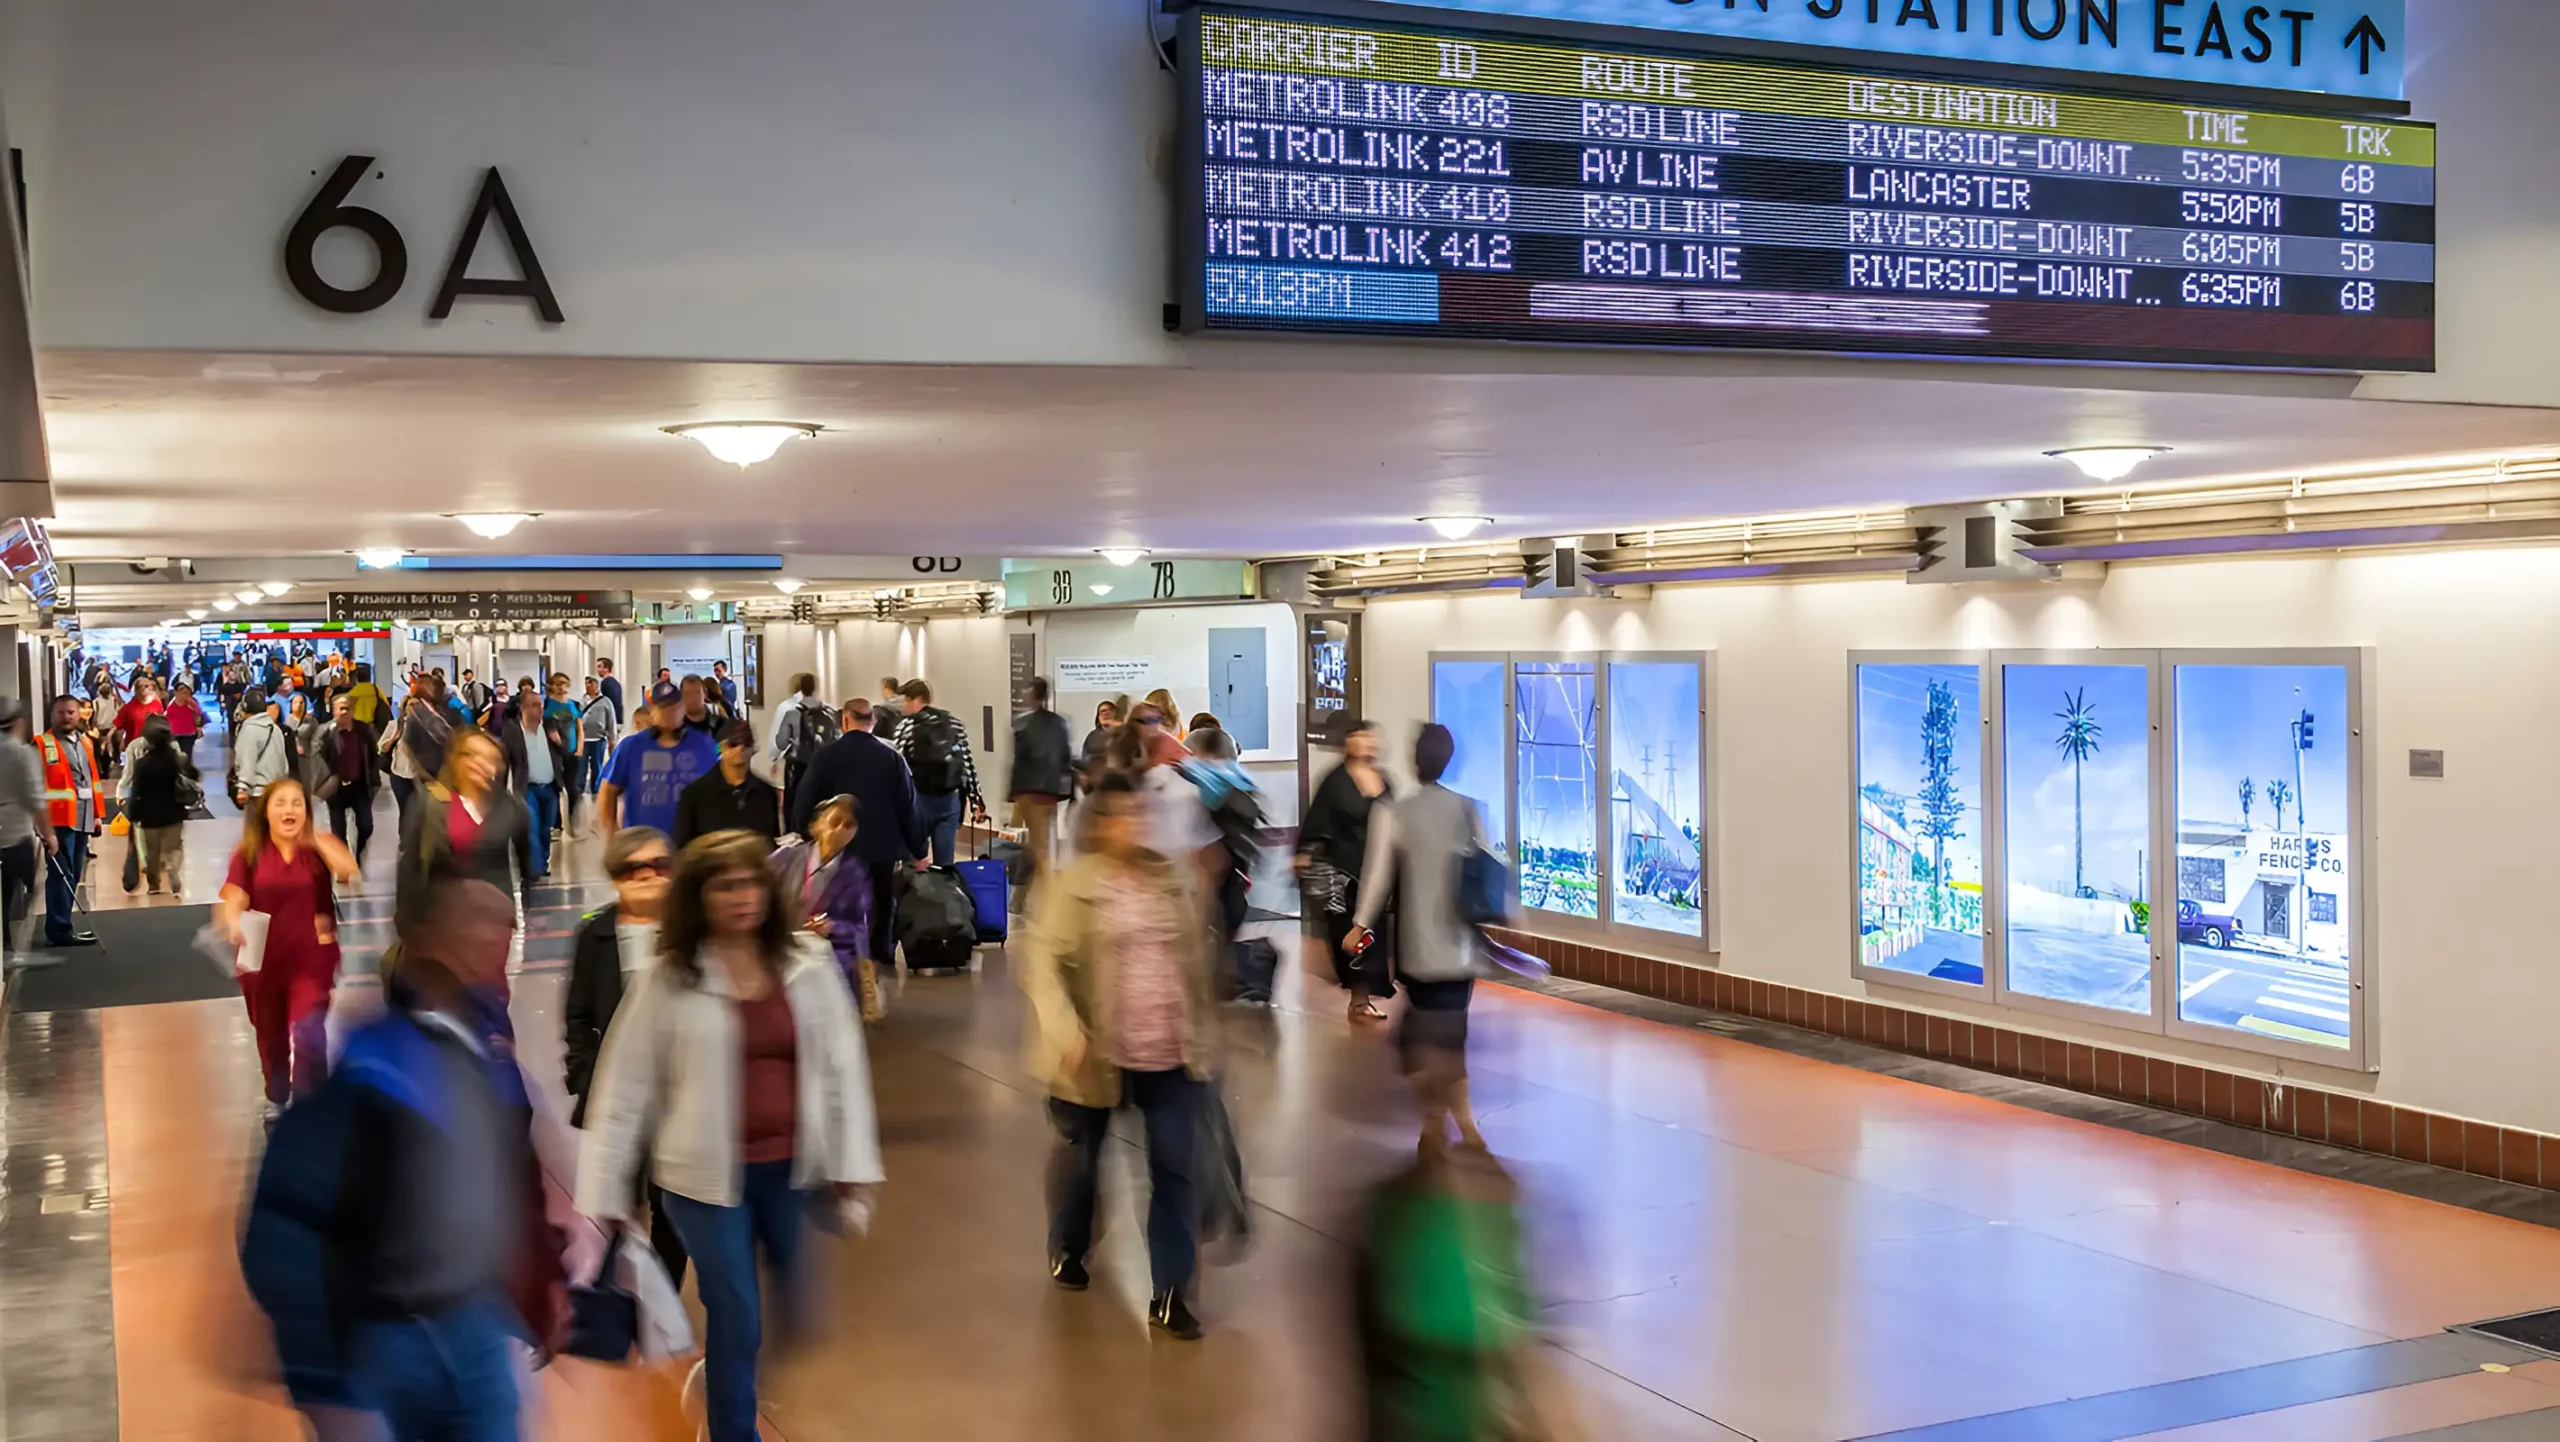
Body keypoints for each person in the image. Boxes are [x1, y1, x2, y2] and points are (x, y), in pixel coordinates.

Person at [575, 831, 886, 1442]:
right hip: (701, 1181)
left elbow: (842, 1068)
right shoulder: (670, 978)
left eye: (751, 883)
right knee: (738, 1311)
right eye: (725, 886)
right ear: (700, 898)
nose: (742, 897)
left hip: (791, 1170)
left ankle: (724, 1379)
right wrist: (610, 1192)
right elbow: (624, 1086)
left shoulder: (806, 965)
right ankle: (731, 1428)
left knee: (798, 1319)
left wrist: (851, 1161)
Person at [241, 870, 560, 1442]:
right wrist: (321, 1381)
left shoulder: (486, 1054)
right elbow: (284, 1226)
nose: (498, 937)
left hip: (477, 1327)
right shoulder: (374, 1066)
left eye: (504, 925)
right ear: (428, 938)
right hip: (387, 1340)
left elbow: (508, 1185)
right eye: (478, 922)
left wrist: (542, 1289)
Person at [1019, 772, 1219, 1340]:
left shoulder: (1171, 879)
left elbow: (1197, 962)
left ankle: (1171, 1291)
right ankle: (1069, 1244)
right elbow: (1042, 965)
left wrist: (1206, 1029)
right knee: (1082, 1159)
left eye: (1143, 815)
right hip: (1093, 1052)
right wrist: (1066, 1032)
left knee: (1177, 1168)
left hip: (1172, 1050)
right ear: (1100, 826)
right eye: (1124, 815)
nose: (1138, 826)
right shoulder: (1074, 885)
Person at [1347, 724, 1489, 1156]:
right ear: (1451, 761)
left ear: (1414, 760)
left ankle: (1439, 1121)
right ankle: (1456, 1121)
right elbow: (1487, 871)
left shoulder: (1392, 812)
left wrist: (1360, 924)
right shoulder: (1468, 809)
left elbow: (1375, 877)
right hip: (1461, 945)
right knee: (1452, 1032)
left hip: (1417, 943)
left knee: (1427, 1032)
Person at [562, 826, 688, 1283]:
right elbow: (577, 1016)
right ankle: (624, 1300)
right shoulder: (595, 934)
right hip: (616, 1094)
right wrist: (583, 1078)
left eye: (660, 865)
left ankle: (665, 1299)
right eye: (634, 869)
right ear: (616, 877)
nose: (648, 877)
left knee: (669, 1203)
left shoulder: (691, 933)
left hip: (678, 1094)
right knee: (617, 1200)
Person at [217, 778, 361, 1110]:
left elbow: (349, 872)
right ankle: (277, 1095)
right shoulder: (249, 852)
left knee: (309, 1030)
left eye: (297, 803)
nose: (289, 810)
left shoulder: (317, 848)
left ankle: (313, 1102)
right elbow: (234, 896)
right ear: (266, 812)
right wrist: (232, 920)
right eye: (280, 803)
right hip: (261, 959)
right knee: (271, 1038)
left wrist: (318, 841)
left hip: (311, 956)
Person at [788, 702, 926, 974]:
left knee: (842, 903)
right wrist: (918, 847)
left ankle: (846, 953)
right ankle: (881, 954)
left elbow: (805, 799)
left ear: (845, 720)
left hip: (838, 847)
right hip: (882, 846)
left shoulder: (826, 756)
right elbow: (908, 805)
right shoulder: (891, 758)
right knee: (883, 900)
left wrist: (805, 832)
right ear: (872, 721)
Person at [1300, 719, 1396, 1023]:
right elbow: (1317, 822)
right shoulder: (1335, 781)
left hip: (1376, 872)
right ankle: (1358, 998)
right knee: (1349, 932)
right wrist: (1305, 853)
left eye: (1371, 739)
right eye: (1359, 738)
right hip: (1342, 873)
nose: (1367, 744)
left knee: (1374, 934)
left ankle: (1364, 996)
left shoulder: (1384, 779)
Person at [398, 728, 530, 929]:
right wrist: (406, 921)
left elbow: (525, 862)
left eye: (490, 759)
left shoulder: (510, 806)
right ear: (456, 760)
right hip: (442, 920)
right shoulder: (430, 803)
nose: (481, 765)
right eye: (472, 755)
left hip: (493, 920)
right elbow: (410, 867)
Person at [770, 796, 879, 1020]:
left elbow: (860, 926)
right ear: (815, 825)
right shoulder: (787, 857)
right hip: (780, 942)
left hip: (825, 952)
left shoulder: (854, 873)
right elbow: (757, 887)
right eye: (835, 821)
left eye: (849, 825)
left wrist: (833, 927)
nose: (840, 830)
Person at [596, 682, 721, 841]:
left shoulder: (705, 746)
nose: (670, 714)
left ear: (683, 707)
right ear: (652, 712)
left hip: (693, 844)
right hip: (642, 843)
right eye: (663, 709)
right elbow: (608, 789)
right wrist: (611, 835)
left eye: (674, 707)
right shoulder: (631, 747)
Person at [888, 679, 981, 868]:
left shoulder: (906, 726)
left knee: (914, 860)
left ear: (918, 700)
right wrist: (976, 800)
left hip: (918, 800)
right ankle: (944, 894)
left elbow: (895, 766)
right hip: (949, 800)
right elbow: (966, 763)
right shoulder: (955, 724)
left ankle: (916, 895)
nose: (903, 706)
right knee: (945, 863)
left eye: (906, 700)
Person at [38, 695, 103, 950]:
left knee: (74, 873)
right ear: (52, 715)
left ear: (80, 715)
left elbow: (91, 779)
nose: (67, 717)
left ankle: (64, 925)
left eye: (71, 712)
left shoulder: (84, 741)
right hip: (59, 820)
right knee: (60, 874)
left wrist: (97, 815)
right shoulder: (43, 744)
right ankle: (58, 929)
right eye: (61, 713)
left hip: (83, 817)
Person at [1007, 677, 1074, 905]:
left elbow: (1020, 760)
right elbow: (1065, 757)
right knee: (1039, 842)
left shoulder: (1022, 723)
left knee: (1040, 846)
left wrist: (1012, 792)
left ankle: (1050, 897)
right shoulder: (1060, 723)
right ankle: (1021, 895)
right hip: (1052, 792)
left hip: (1029, 790)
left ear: (1031, 694)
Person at [121, 715, 200, 896]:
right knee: (175, 847)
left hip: (149, 815)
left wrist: (132, 813)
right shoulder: (176, 759)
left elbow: (136, 791)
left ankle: (154, 886)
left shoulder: (142, 763)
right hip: (174, 811)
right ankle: (173, 867)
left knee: (152, 852)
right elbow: (195, 775)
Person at [500, 690, 572, 883]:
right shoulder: (512, 729)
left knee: (545, 829)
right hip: (528, 787)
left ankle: (542, 864)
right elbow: (505, 759)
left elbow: (567, 751)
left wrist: (559, 742)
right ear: (523, 708)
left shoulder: (550, 725)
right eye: (534, 705)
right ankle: (534, 868)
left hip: (550, 785)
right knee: (531, 827)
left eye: (540, 704)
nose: (540, 708)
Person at [675, 721, 781, 848]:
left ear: (753, 748)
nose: (740, 748)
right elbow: (683, 847)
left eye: (746, 742)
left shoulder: (766, 793)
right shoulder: (695, 794)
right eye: (733, 743)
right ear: (720, 747)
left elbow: (772, 844)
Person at [0, 701, 48, 969]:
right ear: (18, 722)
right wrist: (49, 833)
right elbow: (34, 797)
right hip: (15, 833)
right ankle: (15, 948)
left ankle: (5, 946)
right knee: (31, 886)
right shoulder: (20, 753)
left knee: (5, 895)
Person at [315, 692, 383, 868]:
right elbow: (316, 755)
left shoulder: (364, 730)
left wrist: (374, 775)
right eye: (340, 709)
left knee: (366, 826)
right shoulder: (326, 732)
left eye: (347, 708)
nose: (344, 712)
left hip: (360, 785)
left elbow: (376, 754)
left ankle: (359, 853)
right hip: (336, 788)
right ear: (333, 712)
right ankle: (345, 863)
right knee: (338, 831)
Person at [769, 672, 837, 822]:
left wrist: (774, 758)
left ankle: (796, 834)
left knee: (794, 804)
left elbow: (781, 742)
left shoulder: (790, 711)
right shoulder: (829, 712)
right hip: (822, 764)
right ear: (815, 688)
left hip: (797, 765)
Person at [233, 686, 296, 805]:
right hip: (276, 789)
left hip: (257, 791)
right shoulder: (275, 728)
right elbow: (283, 761)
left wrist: (243, 788)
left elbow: (247, 759)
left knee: (256, 823)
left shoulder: (249, 730)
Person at [543, 674, 585, 836]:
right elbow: (551, 732)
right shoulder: (547, 705)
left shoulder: (574, 705)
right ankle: (557, 826)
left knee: (573, 788)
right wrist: (561, 749)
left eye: (564, 684)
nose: (561, 687)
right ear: (552, 686)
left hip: (574, 751)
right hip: (555, 753)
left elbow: (579, 727)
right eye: (558, 684)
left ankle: (574, 823)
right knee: (556, 788)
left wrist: (580, 747)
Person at [576, 676, 617, 810]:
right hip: (583, 739)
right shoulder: (581, 701)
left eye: (591, 683)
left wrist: (612, 738)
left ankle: (596, 790)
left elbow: (611, 720)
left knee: (597, 766)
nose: (588, 685)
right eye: (586, 683)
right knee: (581, 767)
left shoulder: (606, 702)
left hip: (598, 739)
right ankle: (579, 790)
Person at [110, 675, 166, 757]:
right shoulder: (128, 708)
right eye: (141, 686)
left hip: (152, 748)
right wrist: (111, 743)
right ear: (136, 689)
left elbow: (161, 724)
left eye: (147, 686)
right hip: (134, 748)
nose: (144, 688)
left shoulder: (157, 705)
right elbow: (116, 726)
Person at [1077, 700, 1119, 788]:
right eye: (1103, 711)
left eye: (1109, 710)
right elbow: (1085, 759)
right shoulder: (1092, 737)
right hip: (1097, 782)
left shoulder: (1124, 734)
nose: (1106, 713)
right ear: (1098, 716)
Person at [165, 679, 206, 764]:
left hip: (188, 734)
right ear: (175, 692)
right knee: (174, 757)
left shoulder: (191, 703)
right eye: (181, 690)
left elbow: (199, 715)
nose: (183, 693)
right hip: (174, 734)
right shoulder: (170, 704)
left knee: (186, 756)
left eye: (186, 691)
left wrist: (193, 704)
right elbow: (165, 717)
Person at [344, 662, 388, 730]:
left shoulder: (351, 693)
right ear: (369, 677)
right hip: (373, 725)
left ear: (357, 679)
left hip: (357, 726)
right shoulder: (376, 690)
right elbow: (386, 704)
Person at [594, 657, 624, 728]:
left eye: (599, 667)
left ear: (606, 668)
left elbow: (609, 703)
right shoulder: (616, 683)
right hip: (617, 718)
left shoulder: (606, 683)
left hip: (611, 720)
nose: (597, 670)